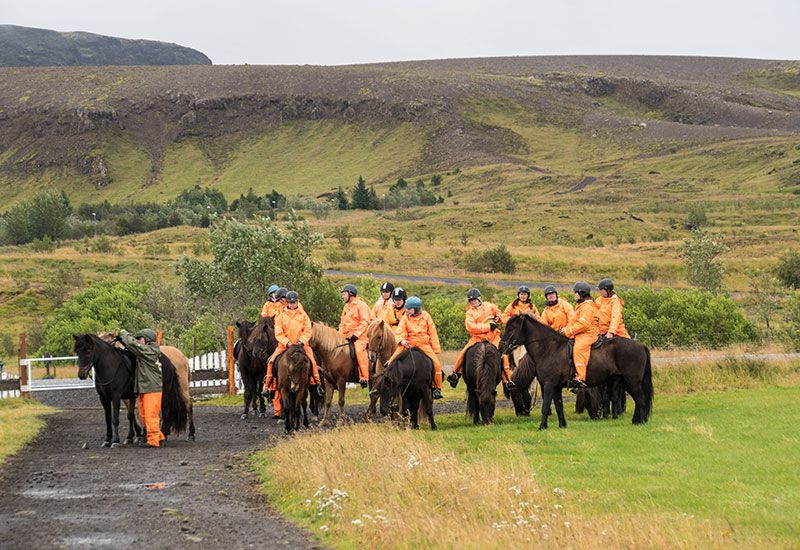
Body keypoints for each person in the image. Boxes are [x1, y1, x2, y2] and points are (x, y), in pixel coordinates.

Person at [265, 291, 325, 398]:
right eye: (290, 302)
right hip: (284, 346)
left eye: (294, 302)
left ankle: (317, 383)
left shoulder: (304, 315)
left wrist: (301, 341)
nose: (292, 304)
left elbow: (308, 330)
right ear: (287, 302)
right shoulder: (281, 316)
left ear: (298, 302)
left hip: (301, 345)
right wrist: (286, 342)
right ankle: (269, 387)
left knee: (312, 361)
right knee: (271, 361)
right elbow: (278, 332)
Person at [384, 296, 444, 399]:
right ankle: (387, 383)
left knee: (437, 365)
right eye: (406, 308)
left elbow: (432, 333)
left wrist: (435, 349)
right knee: (391, 362)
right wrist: (402, 340)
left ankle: (436, 388)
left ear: (415, 309)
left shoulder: (426, 316)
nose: (406, 310)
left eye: (408, 309)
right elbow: (400, 331)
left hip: (424, 345)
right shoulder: (405, 317)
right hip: (408, 343)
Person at [446, 288, 504, 389]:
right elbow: (470, 327)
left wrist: (498, 318)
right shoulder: (470, 312)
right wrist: (488, 327)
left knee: (504, 354)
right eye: (471, 301)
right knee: (464, 353)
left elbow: (499, 313)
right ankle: (455, 374)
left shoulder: (489, 306)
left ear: (479, 298)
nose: (473, 302)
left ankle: (507, 380)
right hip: (477, 338)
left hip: (493, 337)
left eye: (475, 300)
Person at [117, 328, 164, 448]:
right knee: (144, 415)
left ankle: (153, 441)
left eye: (140, 338)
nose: (138, 341)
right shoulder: (147, 351)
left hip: (152, 389)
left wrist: (123, 333)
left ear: (147, 340)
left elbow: (133, 344)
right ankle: (159, 436)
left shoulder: (149, 351)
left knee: (150, 415)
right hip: (145, 388)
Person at [559, 282, 600, 388]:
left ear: (581, 294)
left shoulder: (587, 307)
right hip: (580, 333)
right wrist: (565, 329)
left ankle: (581, 378)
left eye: (575, 293)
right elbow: (573, 322)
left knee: (578, 349)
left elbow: (583, 324)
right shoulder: (581, 306)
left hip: (588, 334)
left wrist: (568, 331)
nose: (574, 295)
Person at [500, 285, 539, 384]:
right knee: (505, 352)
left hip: (528, 336)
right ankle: (507, 375)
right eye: (521, 294)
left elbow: (538, 319)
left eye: (525, 294)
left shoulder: (532, 306)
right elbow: (504, 317)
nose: (523, 296)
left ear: (527, 295)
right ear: (518, 295)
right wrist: (514, 320)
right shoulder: (513, 306)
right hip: (515, 336)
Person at [339, 284, 372, 388]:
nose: (342, 296)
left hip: (360, 337)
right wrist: (339, 335)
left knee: (359, 350)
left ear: (350, 294)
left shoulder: (362, 305)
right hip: (346, 336)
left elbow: (365, 322)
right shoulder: (346, 306)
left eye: (344, 294)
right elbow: (342, 323)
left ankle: (364, 378)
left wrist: (356, 335)